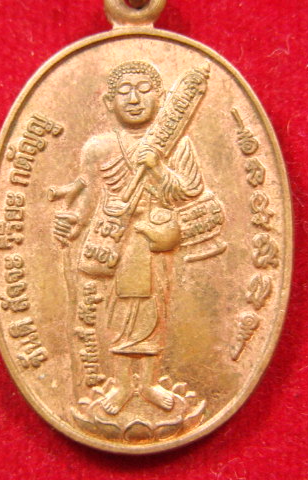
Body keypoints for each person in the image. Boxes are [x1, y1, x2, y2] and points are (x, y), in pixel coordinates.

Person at [53, 60, 205, 416]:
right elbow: (90, 198)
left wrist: (158, 167)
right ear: (109, 102)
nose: (134, 99)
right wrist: (73, 225)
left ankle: (149, 382)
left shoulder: (177, 144)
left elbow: (189, 192)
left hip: (153, 239)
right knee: (118, 312)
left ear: (161, 98)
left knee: (154, 310)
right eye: (124, 92)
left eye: (143, 90)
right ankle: (122, 384)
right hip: (114, 240)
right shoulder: (98, 147)